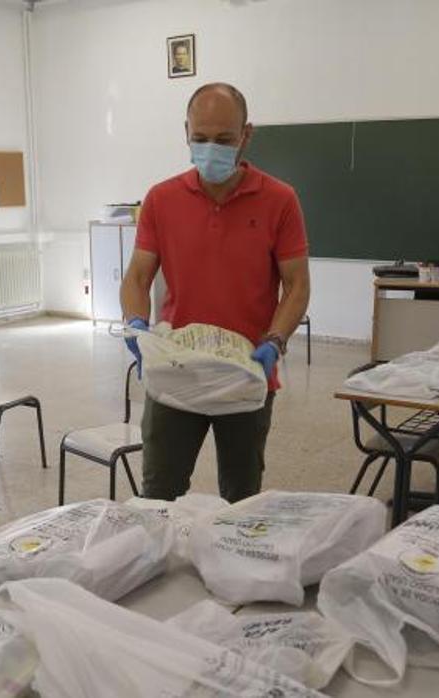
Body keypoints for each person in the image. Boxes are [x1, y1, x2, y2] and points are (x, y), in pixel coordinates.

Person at [120, 82, 310, 503]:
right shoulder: (161, 199)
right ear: (185, 132)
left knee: (241, 498)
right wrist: (136, 325)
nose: (211, 149)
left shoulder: (280, 200)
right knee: (159, 493)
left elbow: (297, 285)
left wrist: (274, 341)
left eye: (224, 140)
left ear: (247, 134)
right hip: (176, 369)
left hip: (246, 372)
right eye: (200, 138)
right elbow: (137, 276)